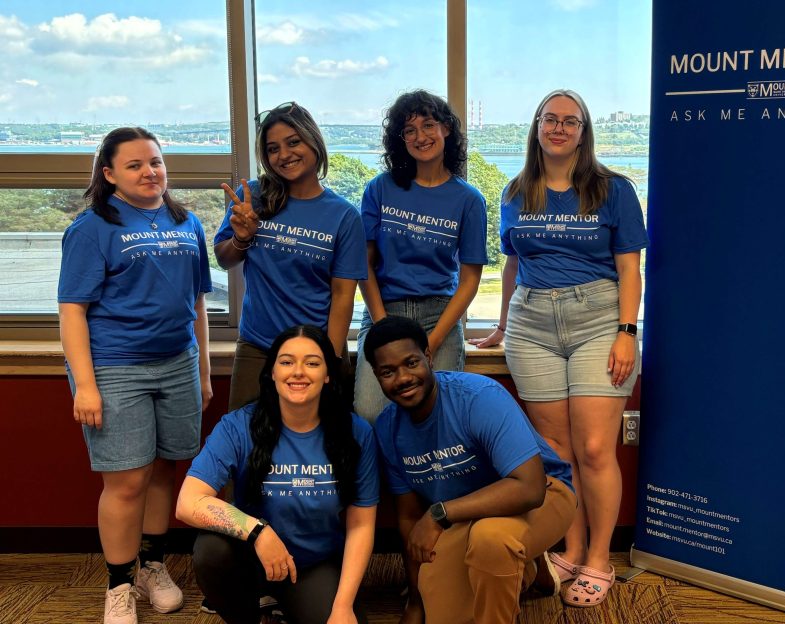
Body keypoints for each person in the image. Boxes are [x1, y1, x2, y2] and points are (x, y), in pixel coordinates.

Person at [470, 89, 648, 607]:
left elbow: (628, 268)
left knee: (595, 449)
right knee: (559, 453)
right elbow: (511, 265)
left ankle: (599, 557)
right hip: (531, 326)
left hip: (598, 319)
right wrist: (503, 325)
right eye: (551, 120)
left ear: (583, 132)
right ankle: (568, 544)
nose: (559, 129)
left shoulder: (613, 189)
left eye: (570, 122)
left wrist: (626, 331)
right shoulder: (515, 191)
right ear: (537, 127)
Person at [58, 127, 213, 624]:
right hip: (115, 368)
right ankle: (119, 585)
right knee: (126, 481)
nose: (150, 172)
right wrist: (85, 383)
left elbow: (198, 304)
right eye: (135, 165)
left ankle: (152, 565)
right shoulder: (91, 228)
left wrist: (204, 372)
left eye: (156, 162)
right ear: (109, 174)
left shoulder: (186, 221)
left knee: (165, 467)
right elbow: (72, 311)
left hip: (178, 364)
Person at [365, 316, 576, 624]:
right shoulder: (387, 428)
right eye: (388, 371)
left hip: (545, 494)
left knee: (491, 541)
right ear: (376, 375)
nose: (403, 378)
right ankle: (526, 567)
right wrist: (416, 598)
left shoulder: (477, 398)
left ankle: (513, 557)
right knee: (441, 610)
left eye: (411, 363)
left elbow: (529, 488)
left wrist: (438, 513)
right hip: (465, 516)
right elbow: (410, 517)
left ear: (428, 355)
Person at [177, 324, 379, 624]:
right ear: (272, 372)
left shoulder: (356, 433)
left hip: (313, 564)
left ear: (327, 375)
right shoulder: (238, 426)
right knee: (211, 550)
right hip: (250, 556)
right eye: (286, 362)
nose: (298, 371)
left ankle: (291, 601)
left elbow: (361, 525)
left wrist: (343, 605)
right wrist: (258, 532)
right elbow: (188, 502)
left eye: (312, 363)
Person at [215, 101, 367, 412]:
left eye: (293, 142)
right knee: (247, 443)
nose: (284, 155)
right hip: (258, 345)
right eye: (273, 149)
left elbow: (342, 296)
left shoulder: (344, 216)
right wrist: (243, 238)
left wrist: (331, 359)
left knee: (319, 447)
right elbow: (223, 258)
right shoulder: (253, 197)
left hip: (315, 350)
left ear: (314, 141)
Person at [353, 90, 488, 422]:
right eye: (409, 130)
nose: (420, 136)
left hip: (437, 315)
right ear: (401, 141)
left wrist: (434, 340)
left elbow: (470, 280)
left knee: (436, 416)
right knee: (370, 413)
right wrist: (383, 326)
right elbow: (364, 266)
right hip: (384, 311)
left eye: (428, 125)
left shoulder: (469, 200)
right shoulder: (379, 189)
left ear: (446, 130)